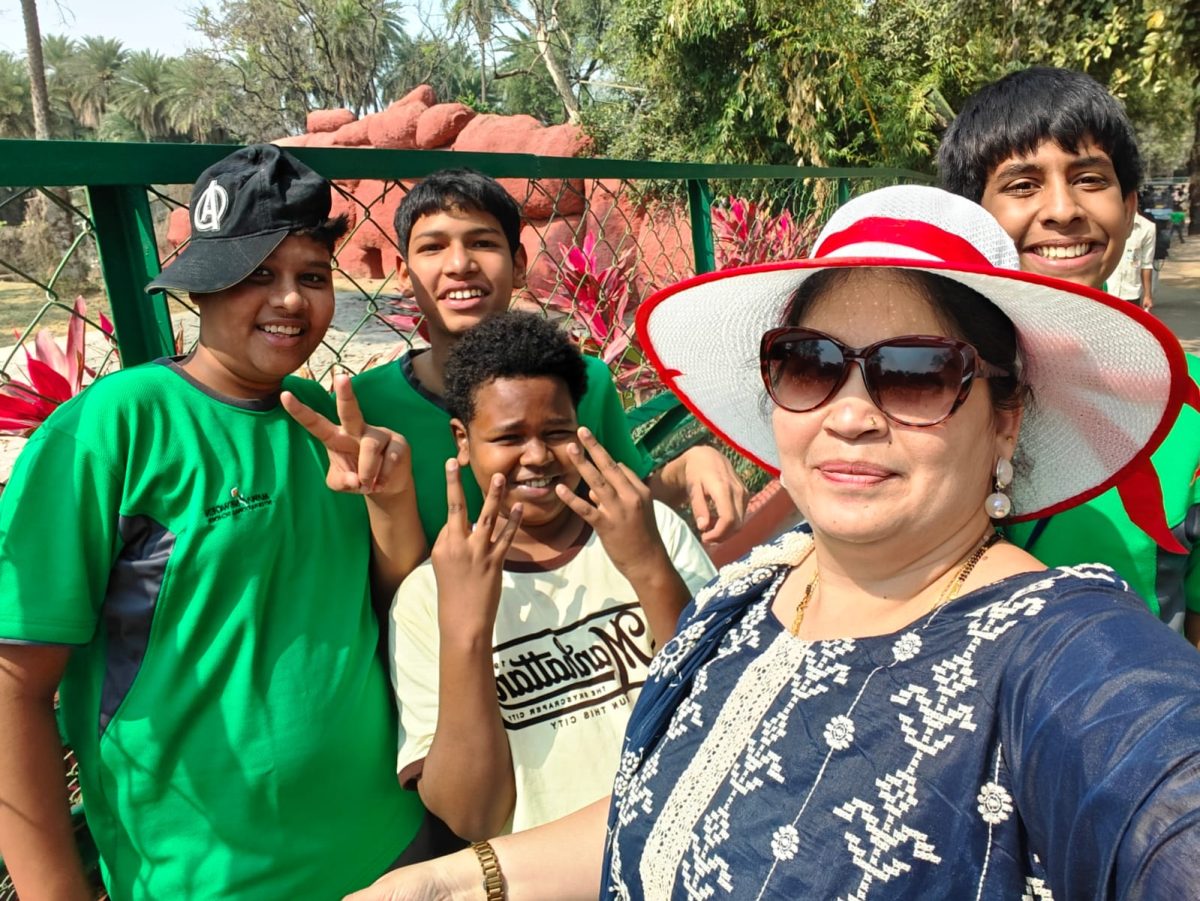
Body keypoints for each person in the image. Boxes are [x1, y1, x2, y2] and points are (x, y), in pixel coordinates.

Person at [345, 185, 1200, 901]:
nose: (850, 413)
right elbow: (682, 806)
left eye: (916, 372)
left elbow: (1155, 781)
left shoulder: (1057, 651)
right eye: (810, 363)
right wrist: (451, 881)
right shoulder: (753, 591)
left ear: (1005, 418)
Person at [0, 145, 432, 901]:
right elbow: (14, 687)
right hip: (207, 876)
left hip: (393, 844)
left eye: (312, 276)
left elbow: (386, 603)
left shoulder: (326, 419)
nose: (290, 299)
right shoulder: (114, 427)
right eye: (256, 274)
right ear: (200, 285)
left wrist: (391, 503)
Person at [388, 312, 716, 842]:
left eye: (558, 432)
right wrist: (466, 629)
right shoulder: (427, 596)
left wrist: (648, 567)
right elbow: (472, 818)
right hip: (546, 872)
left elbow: (720, 711)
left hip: (685, 839)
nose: (538, 456)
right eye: (509, 436)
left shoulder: (651, 532)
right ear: (462, 440)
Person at [937, 66, 1200, 639]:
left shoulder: (1190, 402)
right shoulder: (916, 380)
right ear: (971, 218)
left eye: (1089, 179)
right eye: (1022, 185)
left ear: (1130, 206)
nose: (1062, 209)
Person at [350, 168, 747, 547]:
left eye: (483, 243)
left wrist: (690, 466)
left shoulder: (585, 381)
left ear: (519, 265)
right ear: (405, 275)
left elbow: (631, 498)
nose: (460, 265)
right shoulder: (366, 406)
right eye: (433, 247)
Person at [1108, 211, 1156, 311]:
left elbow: (1146, 264)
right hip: (1106, 290)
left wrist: (1147, 295)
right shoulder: (1107, 223)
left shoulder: (1147, 228)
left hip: (1131, 293)